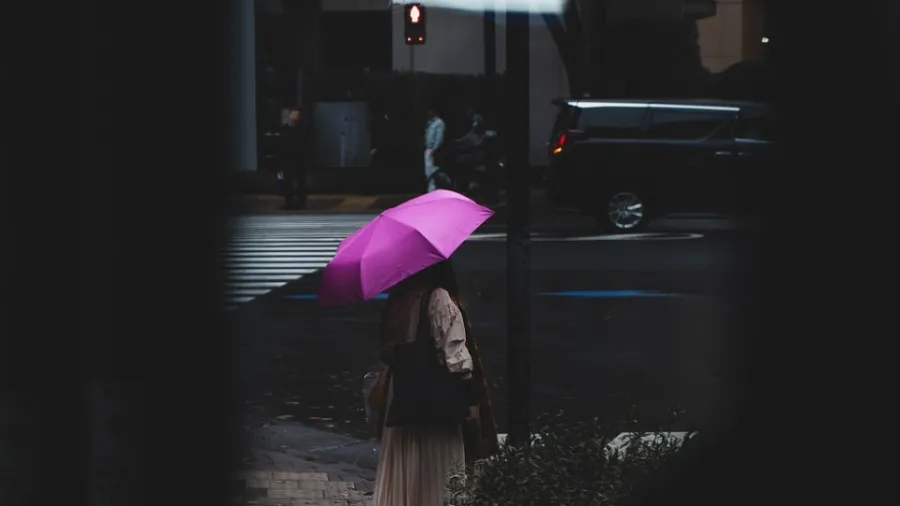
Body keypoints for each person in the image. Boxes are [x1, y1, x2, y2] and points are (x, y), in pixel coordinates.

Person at [368, 260, 499, 506]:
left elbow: (387, 352)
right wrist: (472, 399)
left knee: (407, 469)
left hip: (402, 398)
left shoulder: (399, 299)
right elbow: (456, 360)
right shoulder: (438, 298)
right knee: (437, 472)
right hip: (436, 401)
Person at [280, 105, 311, 209]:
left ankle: (301, 203)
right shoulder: (284, 128)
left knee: (301, 181)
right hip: (288, 159)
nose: (295, 117)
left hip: (300, 159)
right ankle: (289, 203)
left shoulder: (303, 128)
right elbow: (281, 144)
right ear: (289, 115)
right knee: (287, 181)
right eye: (293, 114)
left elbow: (307, 144)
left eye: (297, 115)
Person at [423, 104, 446, 192]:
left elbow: (439, 137)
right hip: (428, 149)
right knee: (428, 171)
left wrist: (435, 149)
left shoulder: (439, 123)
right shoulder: (430, 123)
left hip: (433, 150)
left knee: (433, 171)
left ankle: (433, 190)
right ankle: (431, 190)